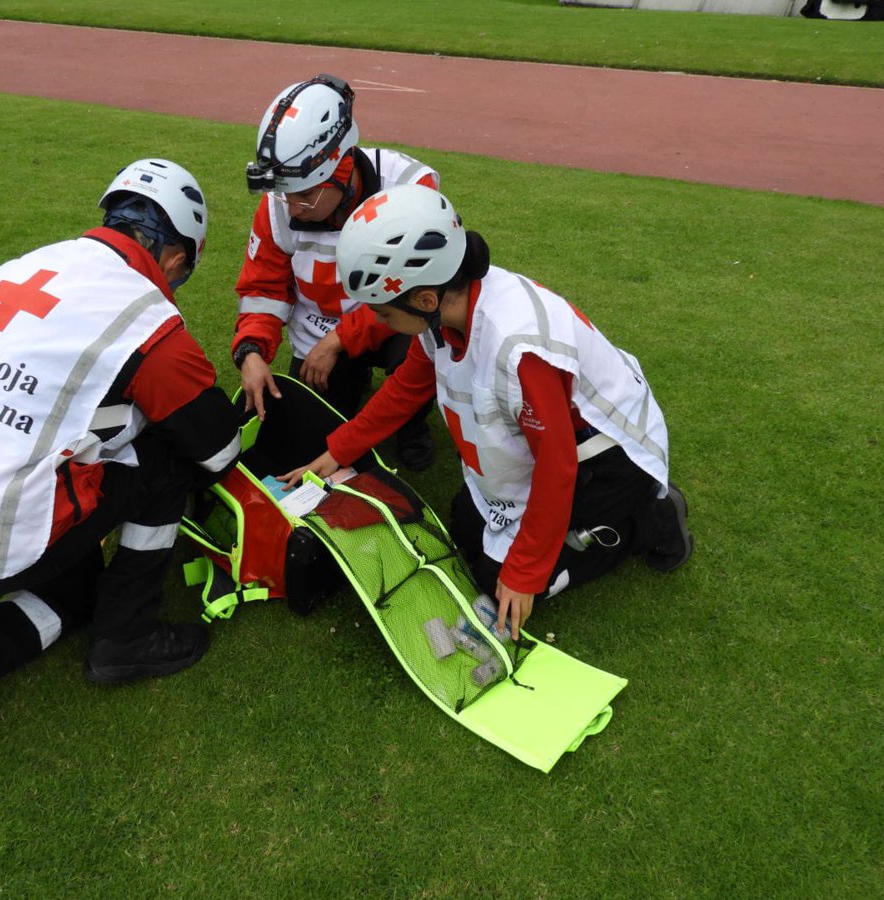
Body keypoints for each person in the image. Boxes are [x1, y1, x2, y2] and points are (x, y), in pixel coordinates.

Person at [0, 159, 241, 743]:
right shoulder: (147, 321)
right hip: (12, 525)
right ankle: (125, 637)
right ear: (172, 252)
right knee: (165, 461)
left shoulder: (23, 268)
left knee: (72, 582)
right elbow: (218, 451)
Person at [282, 185, 693, 636]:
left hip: (608, 453)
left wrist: (524, 574)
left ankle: (650, 520)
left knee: (501, 583)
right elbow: (407, 387)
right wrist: (341, 448)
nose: (380, 322)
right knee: (463, 530)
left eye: (384, 312)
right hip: (558, 441)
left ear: (424, 301)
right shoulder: (447, 306)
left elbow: (557, 467)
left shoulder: (519, 348)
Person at [232, 73, 440, 470]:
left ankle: (412, 423)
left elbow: (414, 291)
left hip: (392, 320)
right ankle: (354, 380)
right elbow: (264, 289)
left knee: (421, 338)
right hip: (320, 331)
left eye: (306, 197)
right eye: (285, 194)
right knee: (313, 432)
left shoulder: (410, 188)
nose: (291, 208)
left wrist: (340, 342)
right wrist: (251, 351)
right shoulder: (282, 199)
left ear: (341, 171)